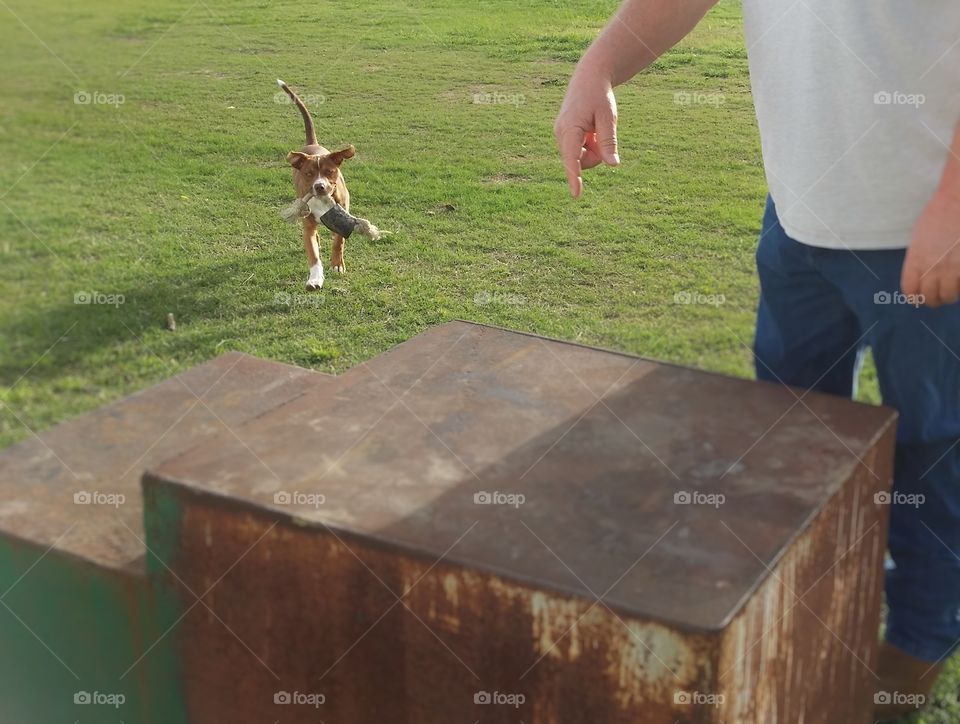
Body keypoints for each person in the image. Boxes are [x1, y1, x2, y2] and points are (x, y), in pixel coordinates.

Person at [554, 2, 960, 721]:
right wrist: (600, 65)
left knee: (930, 451)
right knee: (787, 437)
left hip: (923, 227)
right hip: (799, 215)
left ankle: (919, 643)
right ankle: (807, 608)